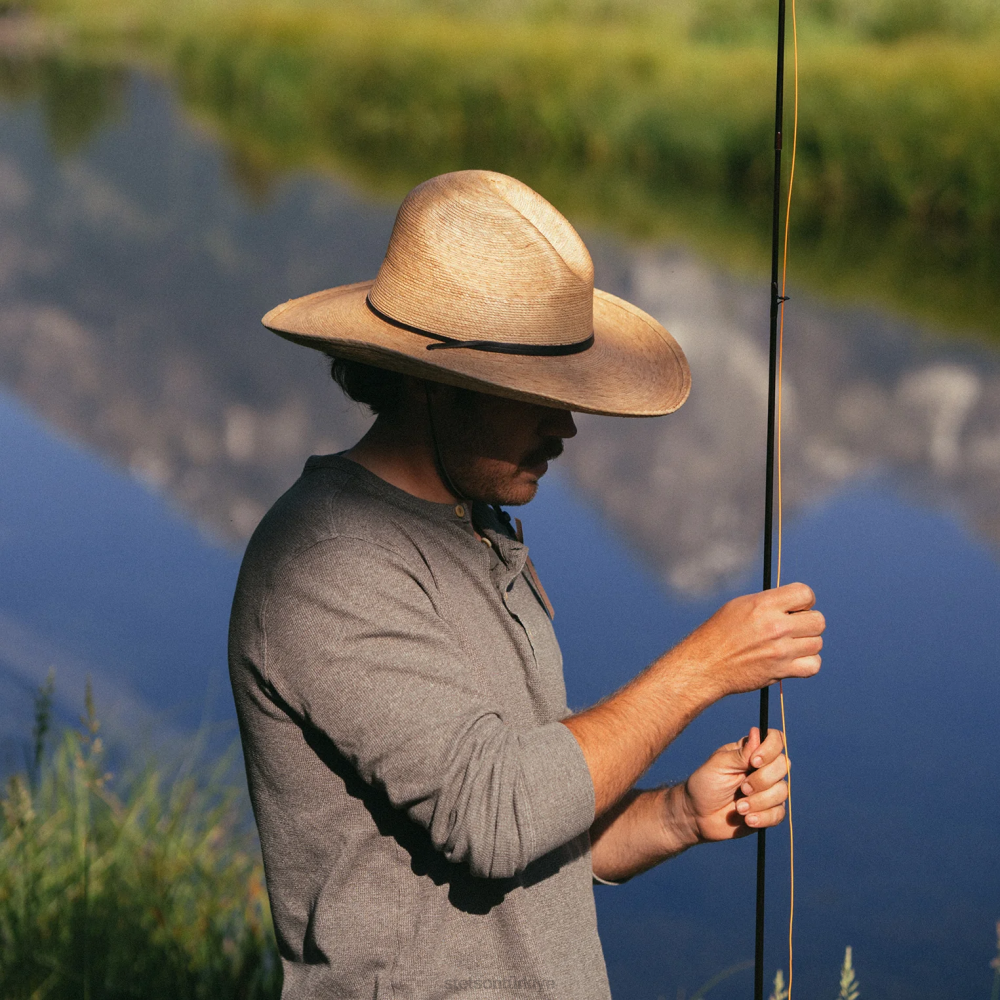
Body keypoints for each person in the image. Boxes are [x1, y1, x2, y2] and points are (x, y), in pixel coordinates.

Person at [228, 170, 824, 999]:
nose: (566, 423)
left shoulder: (481, 528)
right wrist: (705, 669)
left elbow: (534, 817)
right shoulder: (328, 561)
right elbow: (496, 816)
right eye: (532, 396)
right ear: (434, 386)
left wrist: (678, 815)